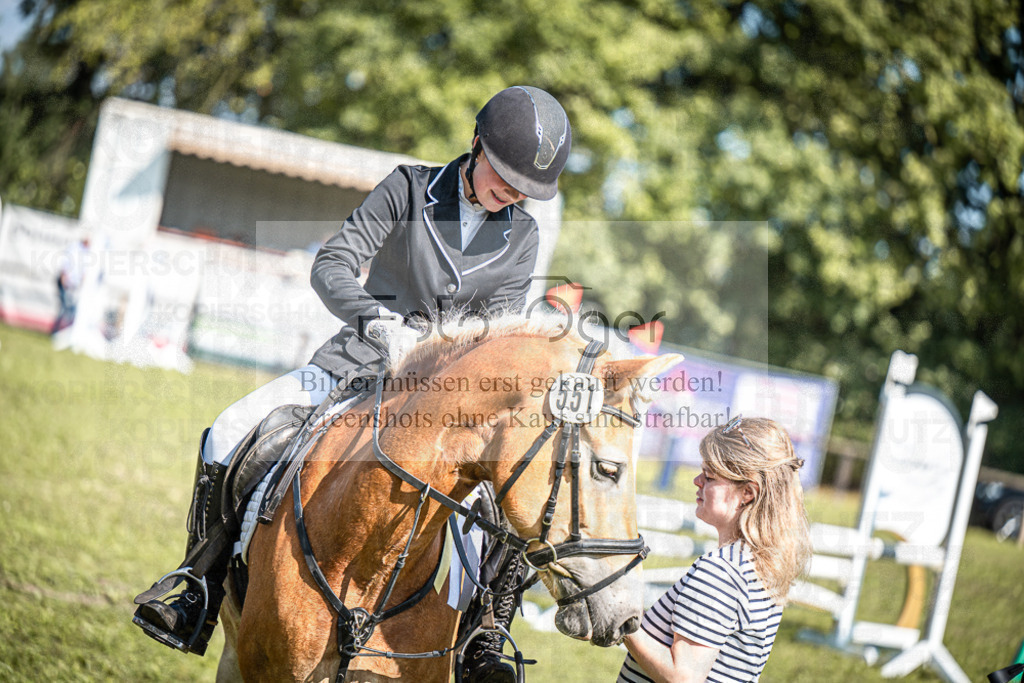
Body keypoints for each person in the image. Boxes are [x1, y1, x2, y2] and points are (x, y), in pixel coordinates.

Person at [133, 85, 572, 682]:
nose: (514, 194)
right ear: (477, 143)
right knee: (232, 428)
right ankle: (198, 585)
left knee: (499, 501)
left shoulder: (521, 235)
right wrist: (377, 320)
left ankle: (484, 635)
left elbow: (491, 335)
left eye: (526, 189)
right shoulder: (409, 188)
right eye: (507, 176)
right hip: (358, 362)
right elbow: (332, 262)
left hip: (440, 402)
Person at [619, 416, 812, 683]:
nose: (697, 481)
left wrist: (621, 622)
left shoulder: (721, 570)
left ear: (748, 493)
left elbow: (683, 678)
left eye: (710, 476)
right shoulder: (760, 565)